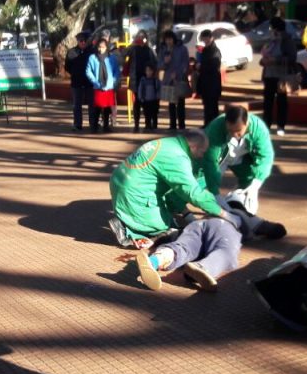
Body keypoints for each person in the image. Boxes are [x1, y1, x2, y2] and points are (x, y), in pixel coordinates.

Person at [109, 129, 229, 248]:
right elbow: (192, 193)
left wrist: (188, 215)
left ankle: (134, 219)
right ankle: (126, 229)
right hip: (134, 193)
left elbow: (174, 193)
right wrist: (223, 213)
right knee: (167, 231)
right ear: (194, 147)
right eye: (202, 152)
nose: (202, 156)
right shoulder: (178, 157)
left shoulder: (170, 143)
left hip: (121, 182)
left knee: (170, 221)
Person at [134, 201, 286, 292]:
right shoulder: (240, 214)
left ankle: (155, 261)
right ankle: (202, 268)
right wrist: (254, 223)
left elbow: (171, 236)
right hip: (224, 227)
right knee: (226, 253)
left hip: (198, 225)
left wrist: (158, 242)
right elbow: (277, 230)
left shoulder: (209, 212)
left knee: (182, 246)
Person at [200, 105, 274, 214]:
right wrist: (214, 193)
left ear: (247, 122)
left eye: (238, 131)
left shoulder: (259, 129)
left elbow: (265, 157)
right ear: (225, 123)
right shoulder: (215, 128)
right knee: (198, 182)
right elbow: (210, 162)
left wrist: (256, 184)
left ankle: (240, 203)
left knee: (251, 178)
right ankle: (177, 207)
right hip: (218, 158)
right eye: (230, 130)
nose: (234, 135)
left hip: (241, 157)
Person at [259, 17, 296, 136]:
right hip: (269, 74)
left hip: (281, 76)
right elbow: (264, 55)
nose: (270, 30)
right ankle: (266, 124)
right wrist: (263, 61)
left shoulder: (287, 40)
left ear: (276, 28)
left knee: (281, 101)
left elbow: (292, 58)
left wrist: (275, 60)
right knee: (267, 101)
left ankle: (281, 125)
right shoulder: (270, 40)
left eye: (271, 27)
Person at [124, 31, 157, 133]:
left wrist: (149, 45)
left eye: (143, 37)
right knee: (137, 103)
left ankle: (148, 123)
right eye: (139, 37)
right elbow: (123, 53)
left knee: (148, 103)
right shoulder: (133, 48)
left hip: (148, 80)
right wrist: (132, 44)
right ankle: (136, 124)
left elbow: (155, 60)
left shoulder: (149, 49)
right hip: (136, 79)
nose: (141, 39)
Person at [158, 30, 190, 131]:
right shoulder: (163, 50)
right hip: (168, 80)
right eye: (166, 40)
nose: (168, 42)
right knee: (171, 103)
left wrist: (178, 73)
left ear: (173, 39)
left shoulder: (182, 48)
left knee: (180, 103)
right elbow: (159, 65)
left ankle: (182, 124)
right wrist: (165, 62)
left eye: (170, 39)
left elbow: (185, 63)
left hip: (179, 79)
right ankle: (172, 125)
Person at [86, 38, 120, 133]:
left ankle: (106, 126)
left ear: (107, 47)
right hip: (98, 86)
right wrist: (95, 82)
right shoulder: (92, 58)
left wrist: (112, 81)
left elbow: (116, 71)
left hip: (108, 87)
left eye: (103, 47)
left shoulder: (112, 58)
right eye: (99, 47)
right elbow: (88, 71)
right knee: (96, 108)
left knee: (107, 108)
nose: (100, 49)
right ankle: (94, 126)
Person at [65, 32, 94, 131]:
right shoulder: (71, 52)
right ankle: (77, 124)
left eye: (85, 41)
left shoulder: (92, 52)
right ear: (78, 41)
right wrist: (75, 73)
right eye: (81, 41)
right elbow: (67, 67)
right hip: (76, 82)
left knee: (92, 104)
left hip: (90, 82)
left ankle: (93, 124)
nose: (83, 43)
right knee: (77, 105)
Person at [195, 29, 223, 127]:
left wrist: (201, 66)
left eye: (206, 39)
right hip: (205, 82)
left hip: (213, 82)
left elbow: (214, 66)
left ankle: (214, 125)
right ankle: (207, 124)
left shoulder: (215, 51)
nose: (205, 41)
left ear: (211, 38)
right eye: (203, 39)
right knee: (206, 105)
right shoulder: (205, 50)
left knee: (212, 105)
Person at [136, 64, 161, 131]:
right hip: (146, 100)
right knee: (147, 114)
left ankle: (155, 125)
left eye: (150, 70)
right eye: (147, 70)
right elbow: (140, 89)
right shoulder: (143, 80)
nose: (149, 72)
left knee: (154, 114)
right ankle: (147, 125)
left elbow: (158, 88)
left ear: (152, 71)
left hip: (154, 100)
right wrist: (140, 97)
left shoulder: (155, 80)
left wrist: (158, 97)